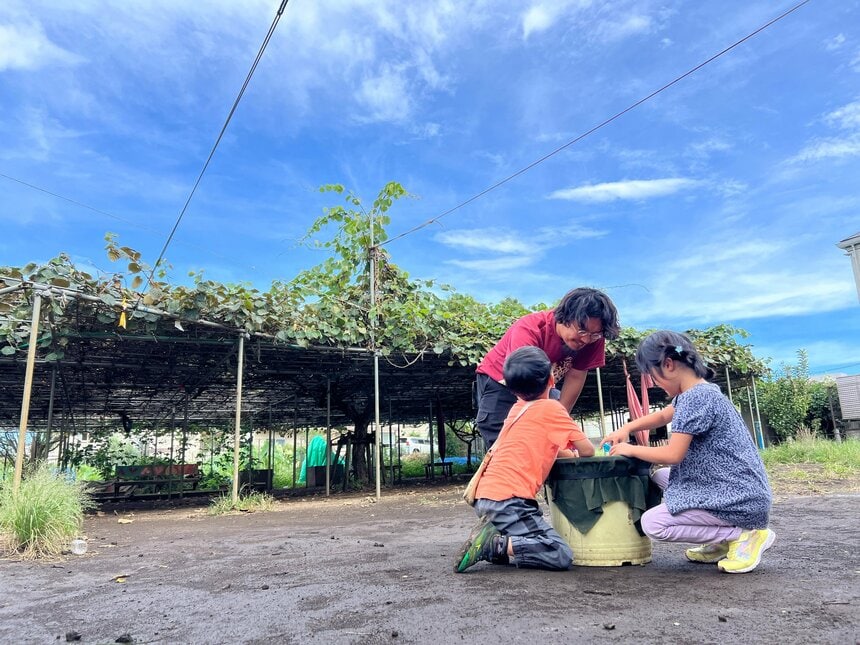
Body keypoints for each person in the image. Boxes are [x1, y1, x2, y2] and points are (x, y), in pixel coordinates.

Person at [602, 330, 774, 574]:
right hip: (740, 489)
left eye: (653, 377)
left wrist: (630, 448)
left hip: (736, 499)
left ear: (669, 365)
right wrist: (627, 427)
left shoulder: (695, 399)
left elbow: (673, 455)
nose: (655, 384)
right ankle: (721, 540)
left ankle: (740, 535)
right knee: (660, 477)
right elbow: (663, 416)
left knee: (654, 524)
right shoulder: (701, 392)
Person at [454, 346, 595, 573]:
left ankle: (498, 535)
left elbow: (545, 446)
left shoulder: (516, 409)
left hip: (484, 497)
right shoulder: (553, 409)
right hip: (509, 501)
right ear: (552, 378)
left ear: (512, 390)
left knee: (528, 530)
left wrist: (563, 451)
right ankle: (493, 545)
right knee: (559, 552)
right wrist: (573, 452)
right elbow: (587, 450)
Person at [475, 287, 620, 448]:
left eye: (594, 334)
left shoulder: (594, 339)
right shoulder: (530, 329)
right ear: (565, 316)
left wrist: (558, 420)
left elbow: (576, 376)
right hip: (502, 380)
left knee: (550, 437)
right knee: (505, 439)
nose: (586, 340)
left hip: (543, 385)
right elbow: (522, 384)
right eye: (582, 330)